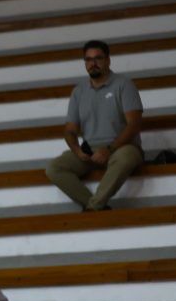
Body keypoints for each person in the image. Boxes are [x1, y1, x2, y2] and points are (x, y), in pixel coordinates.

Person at [45, 40, 144, 212]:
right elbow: (70, 130)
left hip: (122, 148)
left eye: (98, 58)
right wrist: (77, 150)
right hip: (90, 151)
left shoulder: (124, 84)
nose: (93, 63)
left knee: (126, 157)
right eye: (88, 59)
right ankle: (96, 205)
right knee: (54, 168)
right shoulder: (79, 91)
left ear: (108, 60)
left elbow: (134, 124)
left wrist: (109, 149)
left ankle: (93, 207)